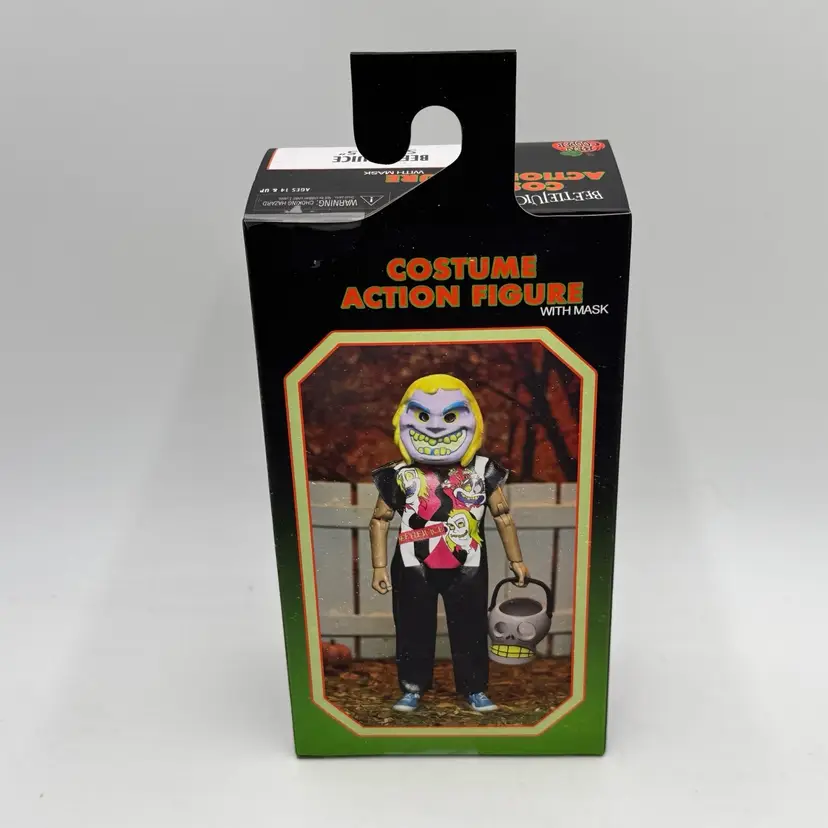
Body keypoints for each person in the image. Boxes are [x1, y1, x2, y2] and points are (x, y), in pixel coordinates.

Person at [369, 374, 529, 714]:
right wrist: (379, 566)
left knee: (470, 627)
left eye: (452, 415)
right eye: (422, 415)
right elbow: (380, 519)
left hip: (467, 564)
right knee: (412, 627)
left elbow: (502, 515)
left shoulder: (483, 470)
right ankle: (412, 688)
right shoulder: (399, 473)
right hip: (412, 564)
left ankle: (475, 688)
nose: (436, 427)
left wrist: (517, 560)